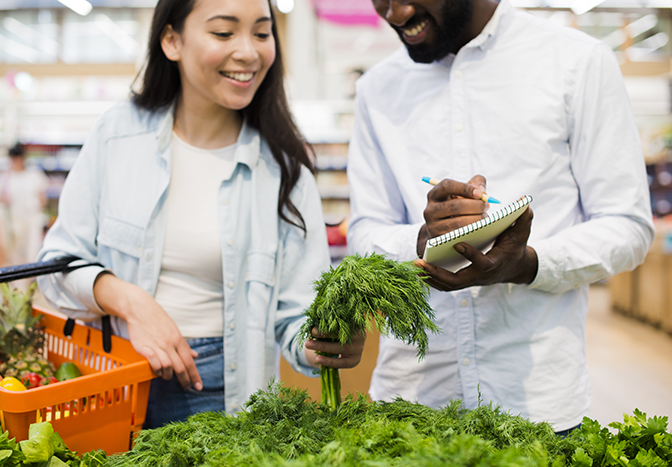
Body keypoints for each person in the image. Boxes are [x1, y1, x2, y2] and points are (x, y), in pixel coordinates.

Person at [37, 0, 364, 428]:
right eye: (224, 33)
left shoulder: (283, 169)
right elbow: (56, 266)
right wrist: (132, 303)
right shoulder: (117, 135)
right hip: (110, 381)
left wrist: (322, 344)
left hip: (219, 391)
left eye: (262, 33)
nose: (248, 52)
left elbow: (293, 317)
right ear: (172, 40)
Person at [346, 0, 654, 436]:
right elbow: (362, 230)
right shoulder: (378, 88)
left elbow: (628, 224)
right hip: (411, 403)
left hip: (536, 407)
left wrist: (528, 264)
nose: (395, 13)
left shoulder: (577, 62)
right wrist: (418, 243)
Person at [0, 142, 49, 269]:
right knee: (12, 254)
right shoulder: (4, 175)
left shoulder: (34, 173)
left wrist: (36, 204)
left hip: (31, 221)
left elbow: (43, 197)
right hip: (12, 221)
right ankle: (16, 284)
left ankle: (29, 281)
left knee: (31, 253)